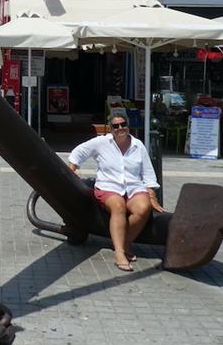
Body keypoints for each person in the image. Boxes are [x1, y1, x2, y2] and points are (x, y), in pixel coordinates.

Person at [67, 115, 164, 273]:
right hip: (108, 186)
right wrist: (72, 168)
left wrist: (151, 196)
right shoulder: (101, 143)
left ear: (128, 125)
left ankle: (125, 243)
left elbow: (147, 172)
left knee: (143, 208)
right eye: (115, 126)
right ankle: (119, 253)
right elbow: (78, 152)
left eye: (123, 124)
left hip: (133, 187)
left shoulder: (138, 145)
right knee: (118, 207)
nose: (120, 128)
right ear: (110, 129)